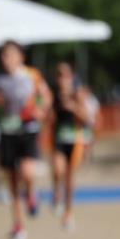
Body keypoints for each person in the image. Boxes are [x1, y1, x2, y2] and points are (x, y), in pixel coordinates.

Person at [0, 40, 51, 239]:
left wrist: (41, 110)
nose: (6, 59)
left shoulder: (32, 75)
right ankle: (18, 224)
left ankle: (32, 193)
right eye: (3, 55)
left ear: (20, 57)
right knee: (13, 182)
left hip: (28, 129)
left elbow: (45, 97)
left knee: (27, 172)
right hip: (7, 131)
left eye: (10, 54)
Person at [50, 62, 87, 229]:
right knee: (58, 170)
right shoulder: (54, 95)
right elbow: (48, 116)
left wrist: (74, 108)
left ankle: (68, 213)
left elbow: (87, 118)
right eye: (59, 75)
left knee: (70, 178)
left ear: (71, 77)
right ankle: (57, 193)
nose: (62, 79)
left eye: (65, 75)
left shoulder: (77, 94)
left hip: (75, 140)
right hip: (59, 139)